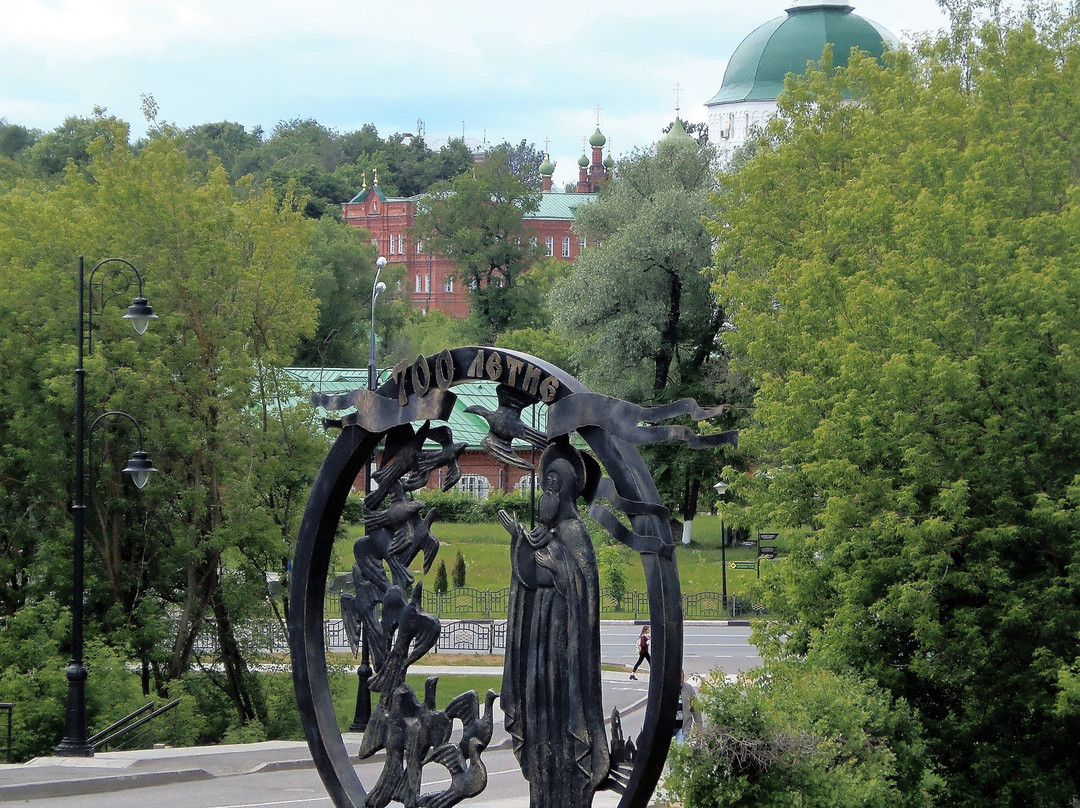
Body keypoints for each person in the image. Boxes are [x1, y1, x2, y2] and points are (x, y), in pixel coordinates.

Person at [499, 442, 609, 808]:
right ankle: (543, 795)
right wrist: (521, 541)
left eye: (549, 487)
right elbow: (530, 580)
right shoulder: (546, 534)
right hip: (540, 647)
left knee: (558, 723)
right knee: (539, 723)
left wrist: (554, 564)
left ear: (562, 490)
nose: (544, 495)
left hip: (562, 657)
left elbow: (580, 587)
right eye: (544, 486)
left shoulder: (574, 533)